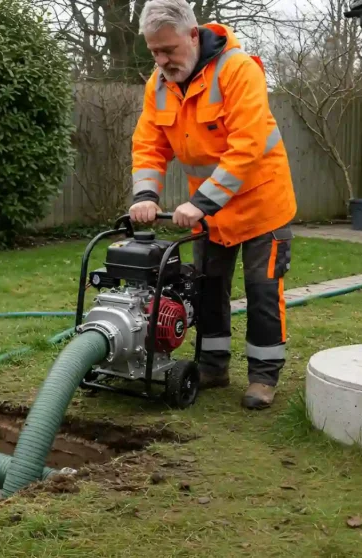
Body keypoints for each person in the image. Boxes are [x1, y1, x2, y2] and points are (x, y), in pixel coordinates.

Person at [128, 0, 298, 410]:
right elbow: (149, 145)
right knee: (206, 289)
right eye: (154, 52)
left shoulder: (239, 71)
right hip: (211, 214)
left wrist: (201, 202)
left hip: (262, 206)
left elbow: (247, 146)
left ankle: (263, 377)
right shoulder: (159, 85)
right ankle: (212, 366)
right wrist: (145, 195)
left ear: (193, 35)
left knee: (262, 292)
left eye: (168, 50)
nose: (161, 61)